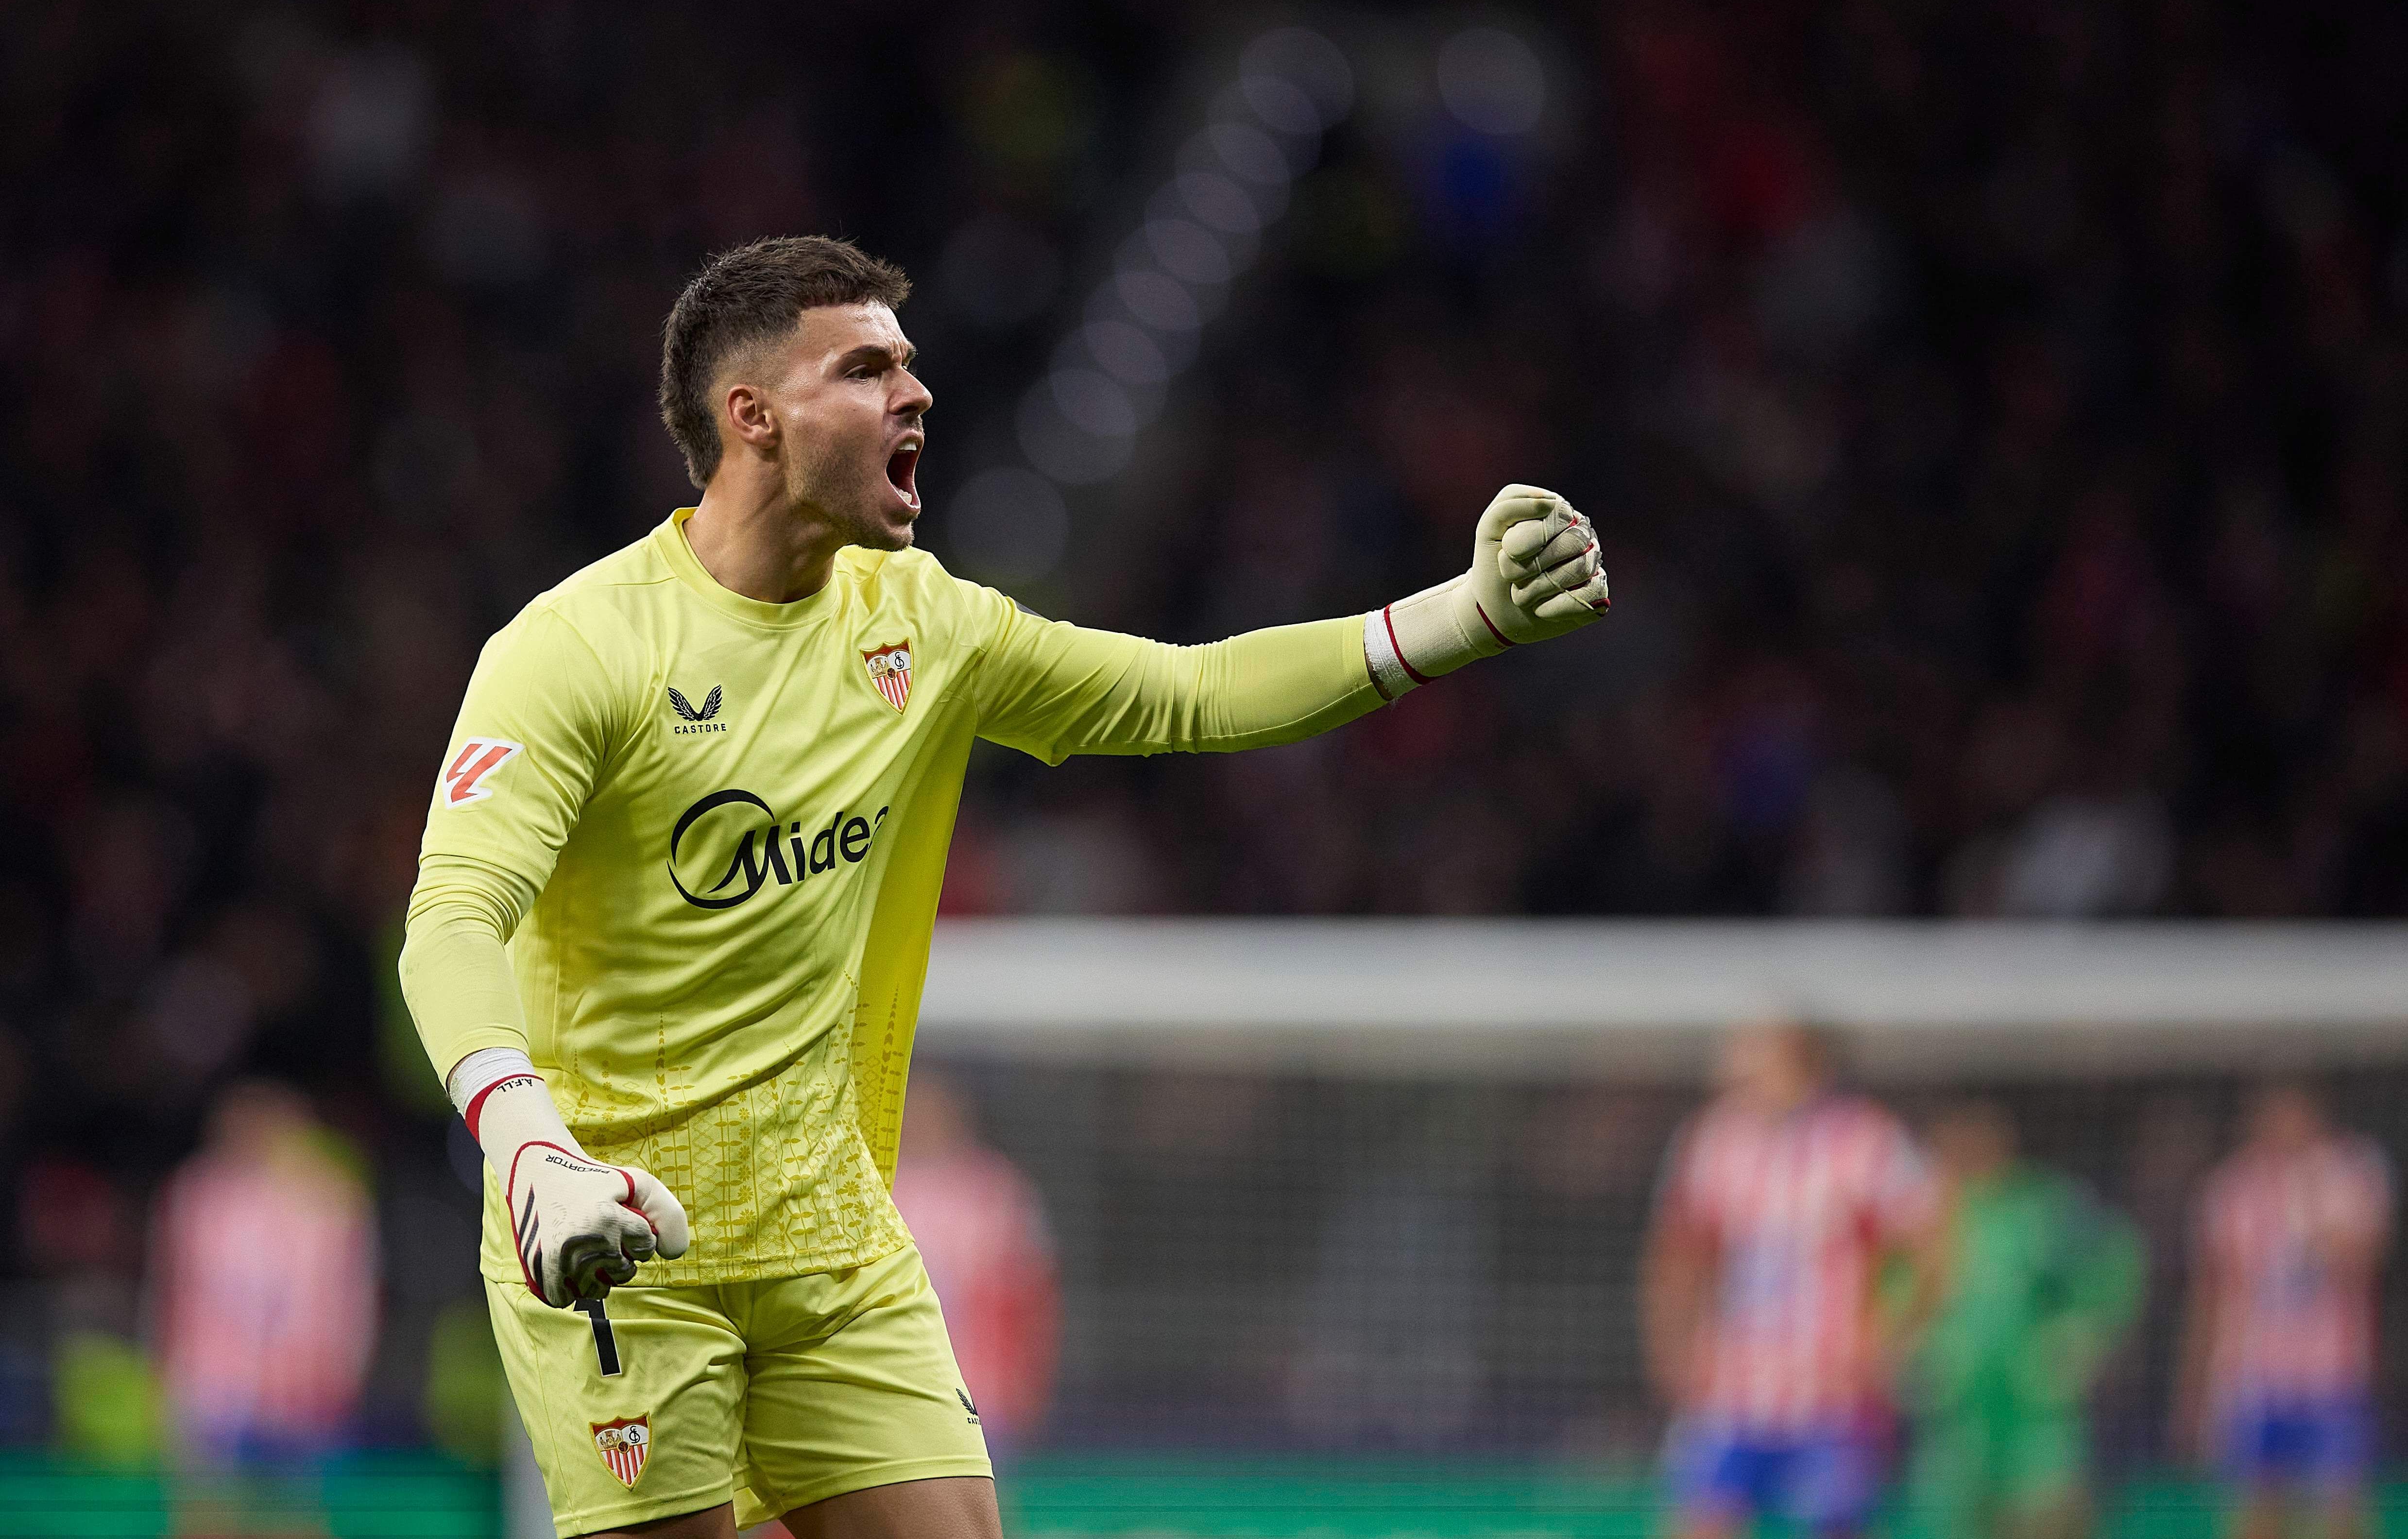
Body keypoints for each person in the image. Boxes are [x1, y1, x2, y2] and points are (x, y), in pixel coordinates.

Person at [397, 234, 1613, 1539]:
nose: (913, 395)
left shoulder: (922, 623)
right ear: (751, 418)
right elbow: (451, 916)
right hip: (619, 1235)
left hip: (831, 1242)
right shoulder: (576, 648)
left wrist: (1458, 615)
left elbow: (1186, 693)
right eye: (864, 370)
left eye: (909, 368)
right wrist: (531, 1147)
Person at [1641, 1021, 1937, 1539]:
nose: (1738, 1074)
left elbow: (1931, 1243)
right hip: (1732, 1386)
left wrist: (1896, 1330)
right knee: (1699, 1519)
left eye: (1757, 1060)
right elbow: (1679, 1253)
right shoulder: (1713, 1139)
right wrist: (1671, 1341)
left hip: (1835, 1390)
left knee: (1834, 1525)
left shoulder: (1864, 1138)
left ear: (1805, 1067)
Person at [1896, 1100, 2144, 1539]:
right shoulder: (1926, 1213)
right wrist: (1911, 1345)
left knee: (2047, 1514)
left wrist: (2080, 1335)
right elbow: (1892, 1287)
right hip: (1960, 1403)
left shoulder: (2043, 1203)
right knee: (1955, 1514)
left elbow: (2117, 1262)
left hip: (2033, 1400)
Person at [2173, 1081, 2391, 1539]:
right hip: (2251, 1377)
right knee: (2255, 1513)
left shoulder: (2352, 1174)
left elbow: (2366, 1262)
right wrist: (2193, 1384)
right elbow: (2212, 1292)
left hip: (2330, 1375)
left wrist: (2307, 1208)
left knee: (2341, 1511)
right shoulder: (2230, 1187)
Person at [150, 1080, 378, 1466]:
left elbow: (352, 1302)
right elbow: (175, 1292)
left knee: (297, 1516)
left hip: (308, 1394)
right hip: (215, 1394)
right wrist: (171, 1383)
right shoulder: (199, 1193)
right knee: (212, 1515)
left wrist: (346, 1375)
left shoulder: (333, 1199)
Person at [888, 1073, 1059, 1460]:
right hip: (892, 1396)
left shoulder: (999, 1190)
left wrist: (1026, 1384)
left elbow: (1034, 1299)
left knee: (977, 1508)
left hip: (981, 1398)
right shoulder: (878, 1181)